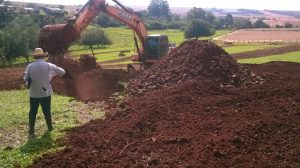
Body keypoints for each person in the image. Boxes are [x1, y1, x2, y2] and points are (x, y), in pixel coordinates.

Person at [23, 48, 65, 139]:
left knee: (33, 112)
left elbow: (26, 79)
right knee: (47, 111)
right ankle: (50, 128)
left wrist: (28, 83)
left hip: (34, 94)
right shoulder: (49, 65)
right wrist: (52, 75)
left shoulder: (30, 66)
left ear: (34, 57)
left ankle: (31, 133)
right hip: (46, 92)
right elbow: (62, 72)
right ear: (43, 56)